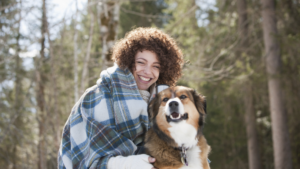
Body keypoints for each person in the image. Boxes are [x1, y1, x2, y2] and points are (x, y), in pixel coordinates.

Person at [58, 27, 184, 169]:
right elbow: (82, 156)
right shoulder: (96, 97)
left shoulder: (164, 103)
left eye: (156, 66)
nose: (148, 71)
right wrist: (124, 164)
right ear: (129, 61)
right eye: (141, 63)